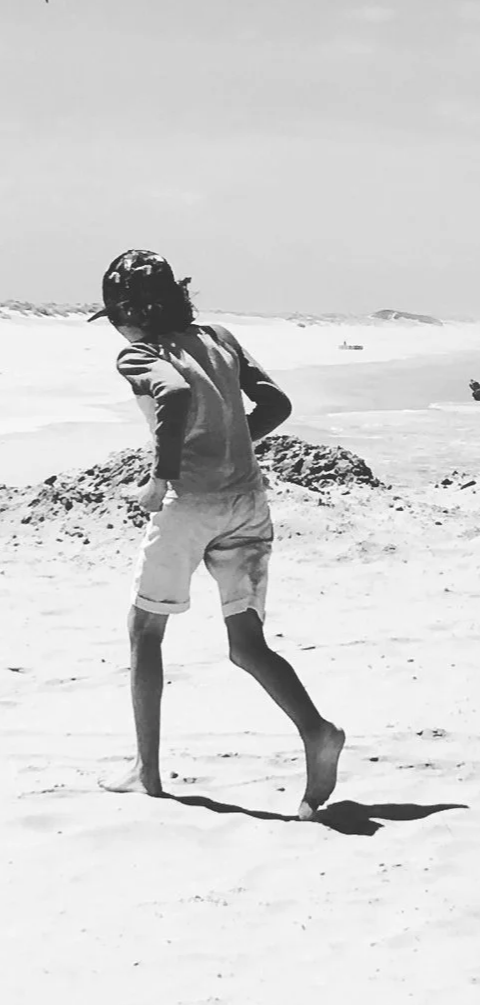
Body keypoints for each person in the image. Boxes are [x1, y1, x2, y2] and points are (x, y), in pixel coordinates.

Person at [93, 249, 344, 815]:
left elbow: (175, 395)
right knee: (247, 646)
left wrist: (161, 478)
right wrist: (234, 442)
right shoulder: (220, 338)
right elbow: (276, 404)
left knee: (145, 631)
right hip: (248, 503)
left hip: (189, 506)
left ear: (129, 312)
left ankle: (147, 772)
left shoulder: (139, 354)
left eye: (113, 314)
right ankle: (317, 731)